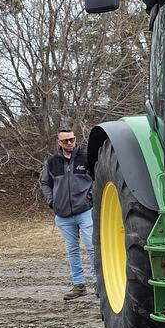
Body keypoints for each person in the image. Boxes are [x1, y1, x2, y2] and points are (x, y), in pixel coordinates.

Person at [40, 128, 95, 300]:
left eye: (71, 139)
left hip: (85, 211)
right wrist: (52, 201)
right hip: (63, 214)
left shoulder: (86, 157)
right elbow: (45, 183)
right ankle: (79, 285)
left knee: (93, 248)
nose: (70, 143)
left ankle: (98, 284)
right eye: (65, 141)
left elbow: (98, 178)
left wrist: (90, 197)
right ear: (59, 142)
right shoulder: (52, 162)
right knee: (72, 250)